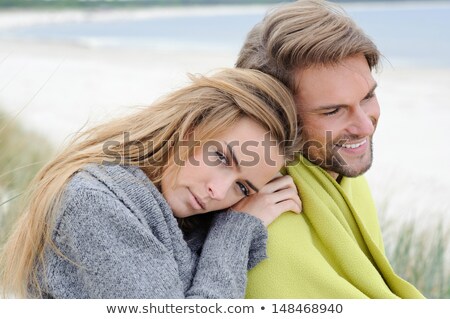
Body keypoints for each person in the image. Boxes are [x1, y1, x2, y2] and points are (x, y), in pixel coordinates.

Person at [0, 68, 302, 298]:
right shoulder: (95, 204)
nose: (219, 191)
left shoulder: (176, 218)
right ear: (188, 127)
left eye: (243, 188)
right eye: (222, 157)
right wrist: (235, 232)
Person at [236, 0, 424, 298]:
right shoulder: (267, 224)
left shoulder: (345, 176)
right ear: (276, 118)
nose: (364, 126)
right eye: (333, 111)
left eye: (367, 96)